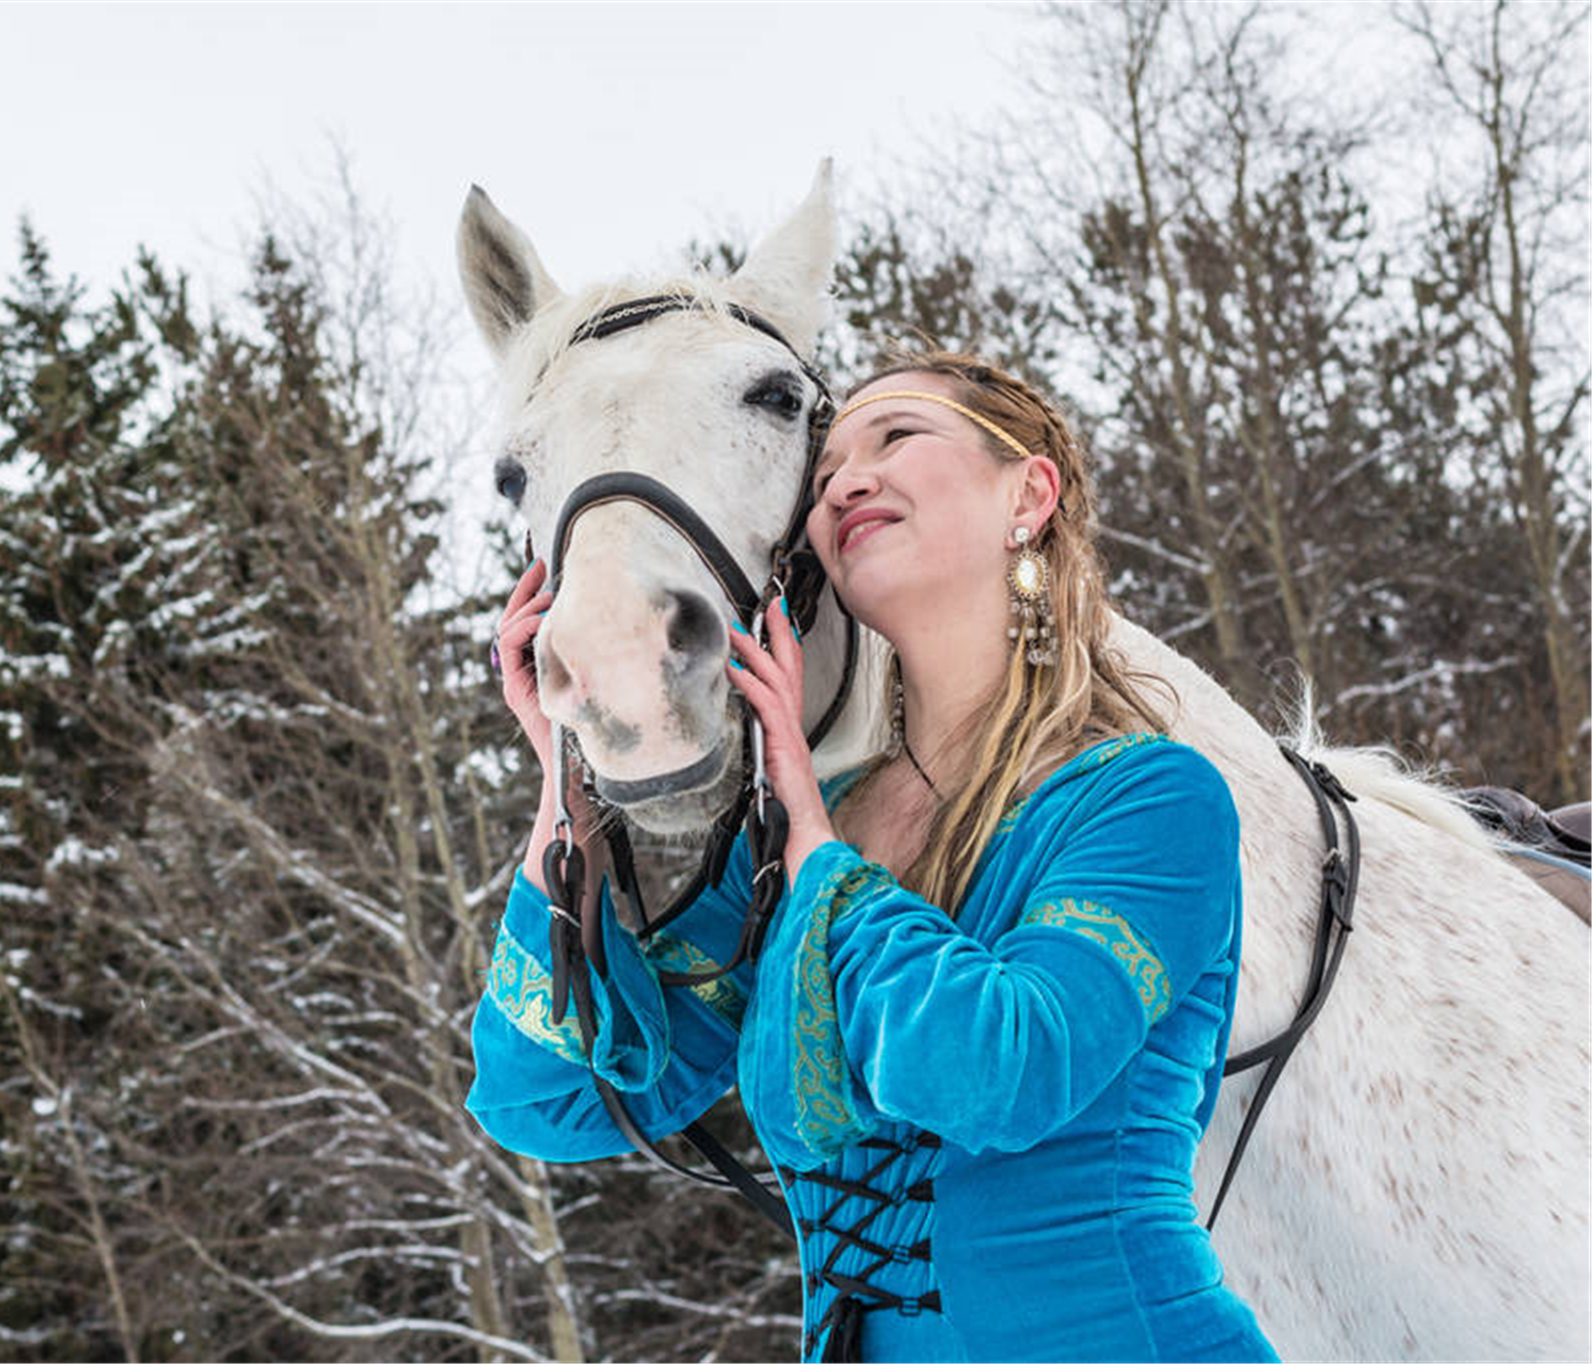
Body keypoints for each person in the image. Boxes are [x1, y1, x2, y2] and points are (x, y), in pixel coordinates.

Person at [472, 349, 1278, 1363]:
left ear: (1029, 492)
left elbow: (1000, 1070)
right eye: (826, 473)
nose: (846, 477)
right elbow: (555, 1098)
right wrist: (566, 770)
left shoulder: (1151, 799)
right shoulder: (802, 838)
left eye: (897, 437)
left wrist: (820, 860)